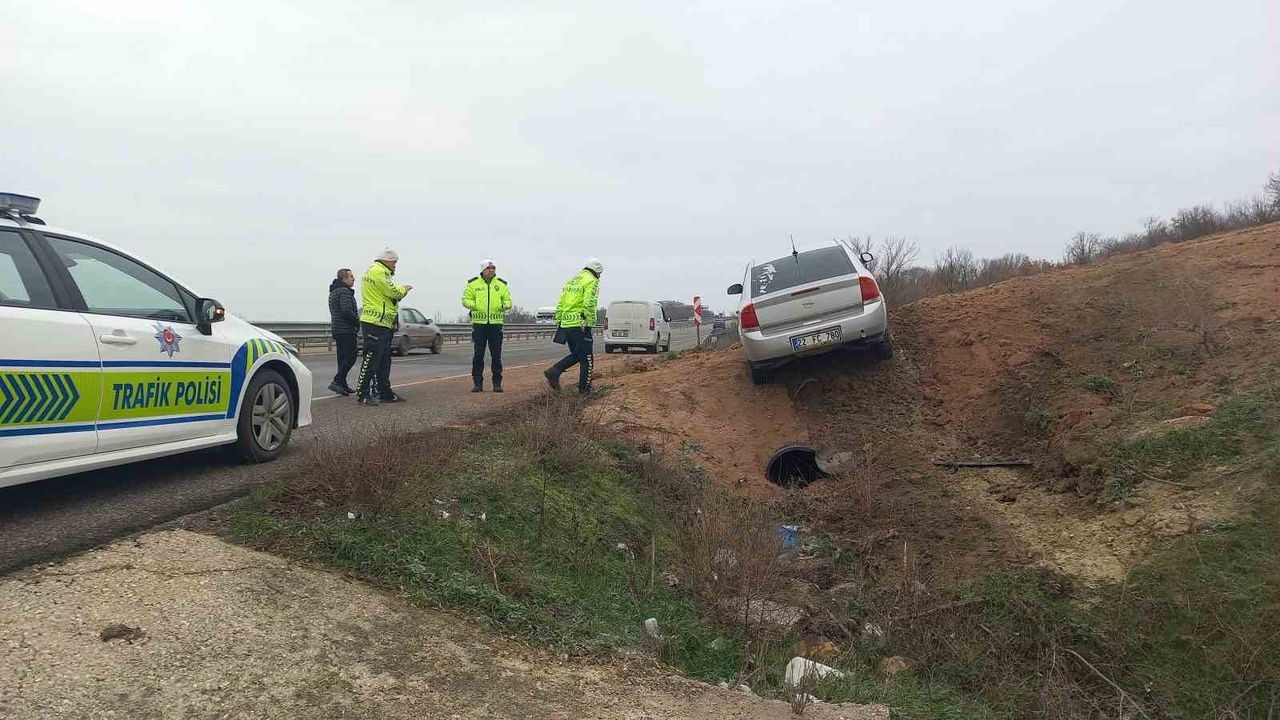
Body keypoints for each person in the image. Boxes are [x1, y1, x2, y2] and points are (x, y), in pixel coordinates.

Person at [354, 249, 412, 406]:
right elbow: (394, 293)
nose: (395, 265)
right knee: (372, 359)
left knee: (384, 360)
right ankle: (363, 393)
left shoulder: (378, 272)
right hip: (375, 323)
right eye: (394, 262)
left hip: (383, 323)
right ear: (386, 260)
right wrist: (404, 289)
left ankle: (384, 392)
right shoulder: (379, 272)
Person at [544, 258, 603, 395]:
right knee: (587, 358)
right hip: (580, 323)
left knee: (578, 354)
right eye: (600, 274)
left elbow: (561, 302)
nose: (600, 276)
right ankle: (584, 391)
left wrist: (560, 320)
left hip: (566, 324)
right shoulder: (591, 281)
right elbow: (589, 302)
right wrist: (588, 321)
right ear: (597, 271)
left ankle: (555, 371)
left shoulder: (572, 281)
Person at [462, 259, 512, 393]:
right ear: (483, 270)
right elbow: (465, 300)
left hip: (496, 325)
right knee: (478, 355)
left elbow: (508, 301)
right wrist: (475, 305)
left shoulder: (501, 285)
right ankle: (477, 384)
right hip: (479, 325)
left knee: (496, 355)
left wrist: (503, 305)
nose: (491, 270)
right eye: (489, 268)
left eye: (493, 268)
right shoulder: (473, 284)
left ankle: (497, 384)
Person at [327, 268, 360, 396]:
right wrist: (357, 321)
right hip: (346, 330)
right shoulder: (344, 292)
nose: (354, 279)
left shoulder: (334, 292)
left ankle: (342, 384)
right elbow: (347, 311)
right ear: (344, 278)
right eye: (351, 276)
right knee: (351, 356)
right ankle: (337, 381)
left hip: (337, 329)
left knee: (342, 358)